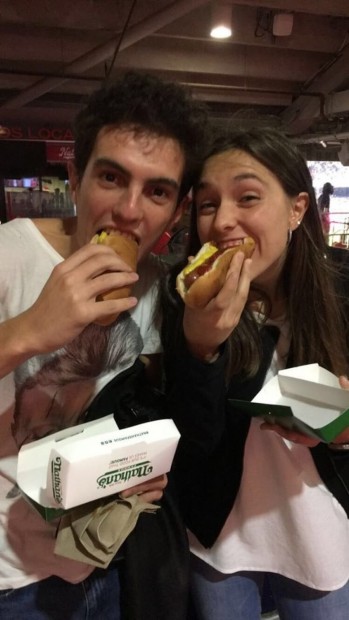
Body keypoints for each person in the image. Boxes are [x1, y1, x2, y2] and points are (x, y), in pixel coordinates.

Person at [0, 70, 209, 620]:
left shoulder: (163, 288)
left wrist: (145, 462)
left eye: (157, 191)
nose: (130, 211)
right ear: (75, 175)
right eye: (112, 177)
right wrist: (30, 330)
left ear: (177, 208)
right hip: (10, 578)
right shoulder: (8, 253)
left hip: (108, 565)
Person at [161, 126, 349, 620]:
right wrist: (200, 345)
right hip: (219, 537)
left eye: (247, 197)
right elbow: (191, 444)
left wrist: (343, 428)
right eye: (207, 205)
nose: (223, 221)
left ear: (296, 209)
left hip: (321, 533)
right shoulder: (181, 298)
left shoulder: (340, 295)